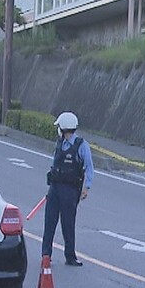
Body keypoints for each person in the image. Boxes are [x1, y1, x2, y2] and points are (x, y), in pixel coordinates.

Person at [42, 111, 94, 266]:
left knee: (68, 224)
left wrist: (87, 187)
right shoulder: (60, 143)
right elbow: (54, 164)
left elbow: (89, 167)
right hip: (55, 188)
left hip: (70, 190)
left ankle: (70, 256)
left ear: (64, 128)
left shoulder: (81, 145)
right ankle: (46, 255)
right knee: (49, 222)